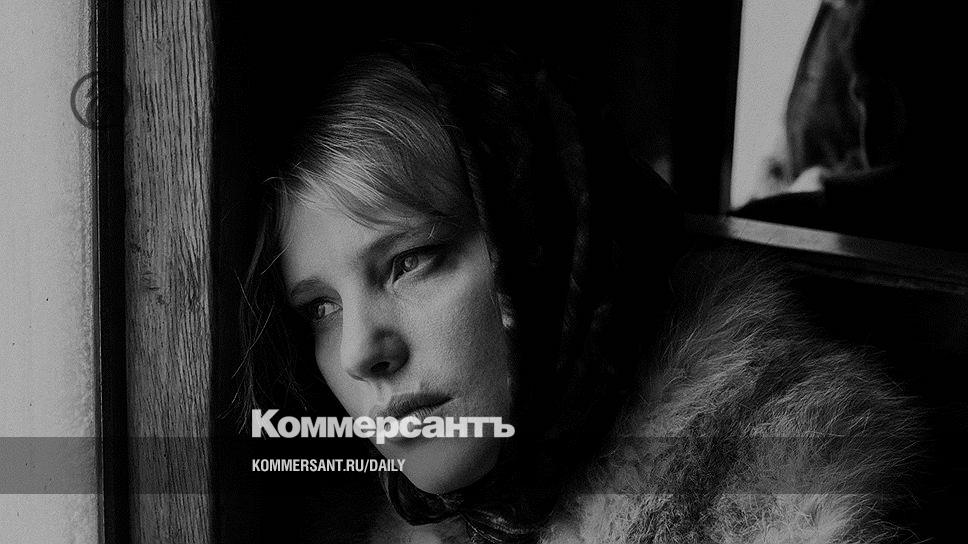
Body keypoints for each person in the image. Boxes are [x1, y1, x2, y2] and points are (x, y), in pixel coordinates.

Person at [239, 43, 922, 543]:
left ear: (544, 245)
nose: (359, 353)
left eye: (409, 262)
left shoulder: (796, 507)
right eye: (320, 308)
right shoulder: (354, 519)